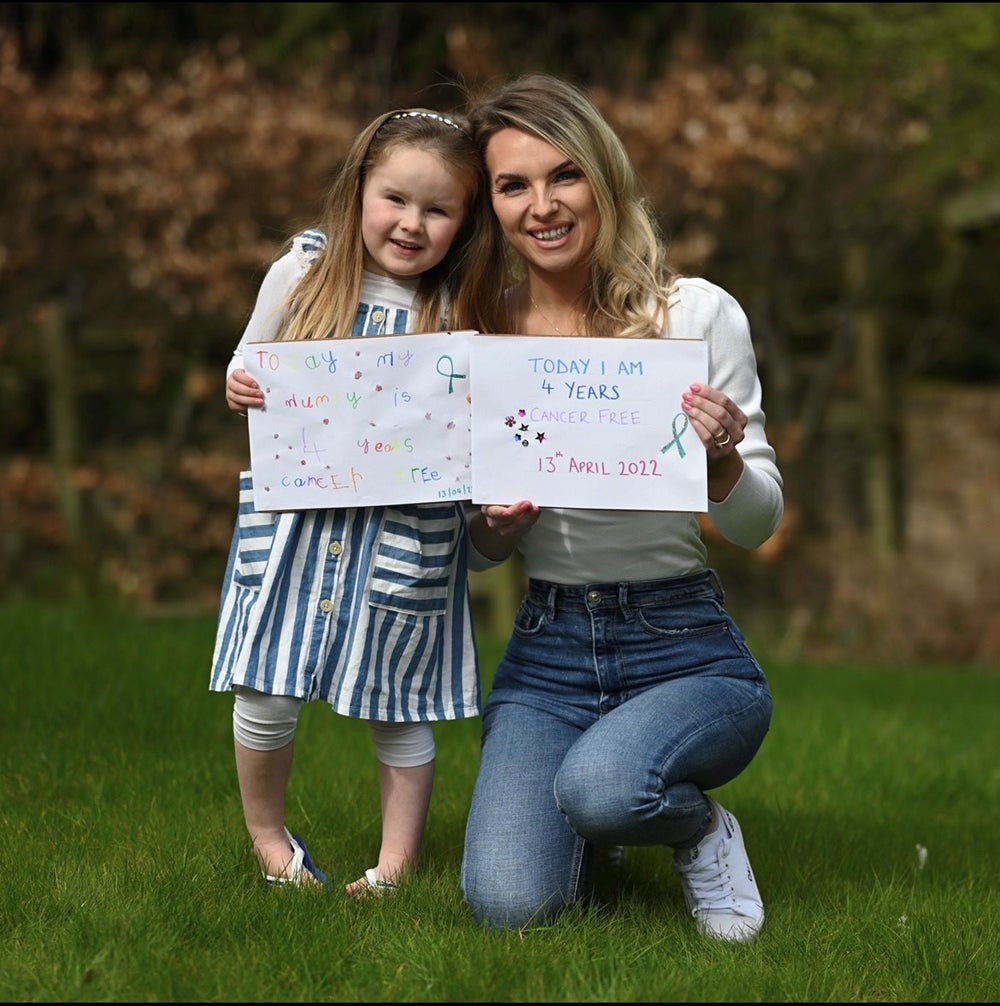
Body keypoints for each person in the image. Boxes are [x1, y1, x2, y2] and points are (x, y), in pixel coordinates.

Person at [455, 74, 784, 942]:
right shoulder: (481, 329)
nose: (542, 206)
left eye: (564, 176)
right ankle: (599, 810)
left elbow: (760, 523)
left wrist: (720, 467)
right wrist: (492, 530)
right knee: (509, 907)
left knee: (602, 789)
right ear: (490, 203)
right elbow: (479, 553)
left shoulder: (694, 313)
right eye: (512, 185)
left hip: (684, 646)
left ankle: (698, 828)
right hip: (548, 651)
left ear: (604, 177)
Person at [210, 107, 485, 895]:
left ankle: (395, 867)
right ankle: (269, 840)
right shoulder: (301, 273)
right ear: (360, 188)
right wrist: (240, 384)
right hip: (297, 522)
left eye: (438, 209)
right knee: (269, 681)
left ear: (464, 221)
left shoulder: (462, 304)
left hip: (406, 530)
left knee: (398, 697)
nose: (411, 223)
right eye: (395, 198)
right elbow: (246, 366)